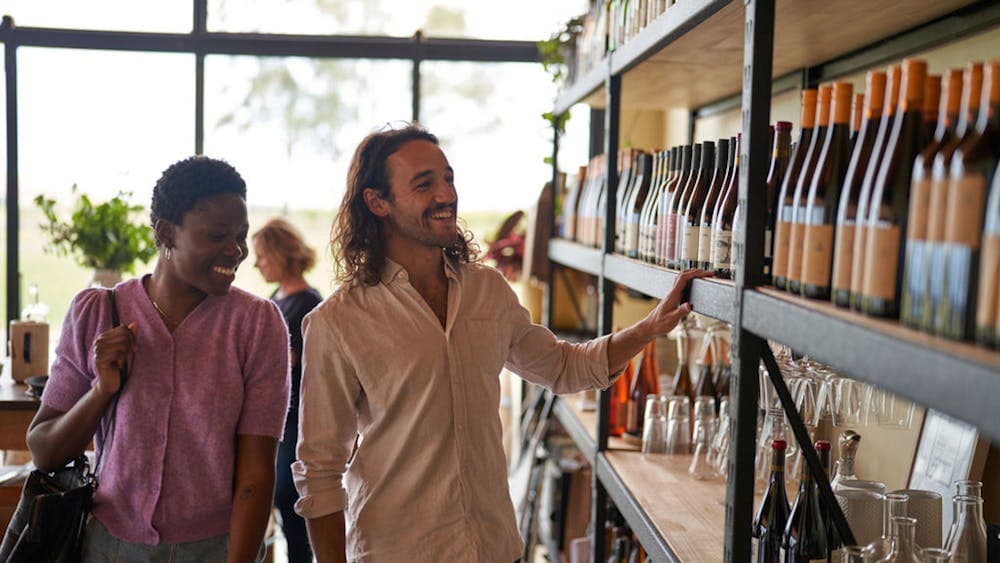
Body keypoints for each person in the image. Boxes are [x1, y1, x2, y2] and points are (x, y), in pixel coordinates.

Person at [292, 124, 711, 562]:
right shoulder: (338, 322)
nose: (446, 195)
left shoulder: (486, 290)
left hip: (495, 548)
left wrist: (648, 328)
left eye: (448, 178)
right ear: (377, 202)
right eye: (424, 184)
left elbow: (563, 368)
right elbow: (319, 470)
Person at [26, 156, 291, 562]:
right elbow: (44, 450)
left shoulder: (256, 324)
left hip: (215, 549)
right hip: (108, 548)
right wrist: (101, 391)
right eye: (217, 235)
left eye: (240, 235)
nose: (235, 251)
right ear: (166, 234)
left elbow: (256, 475)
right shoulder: (97, 311)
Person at [252, 218, 323, 563]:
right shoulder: (275, 299)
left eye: (262, 256)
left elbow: (305, 367)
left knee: (289, 496)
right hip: (275, 417)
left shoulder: (309, 302)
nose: (256, 264)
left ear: (280, 255)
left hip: (296, 419)